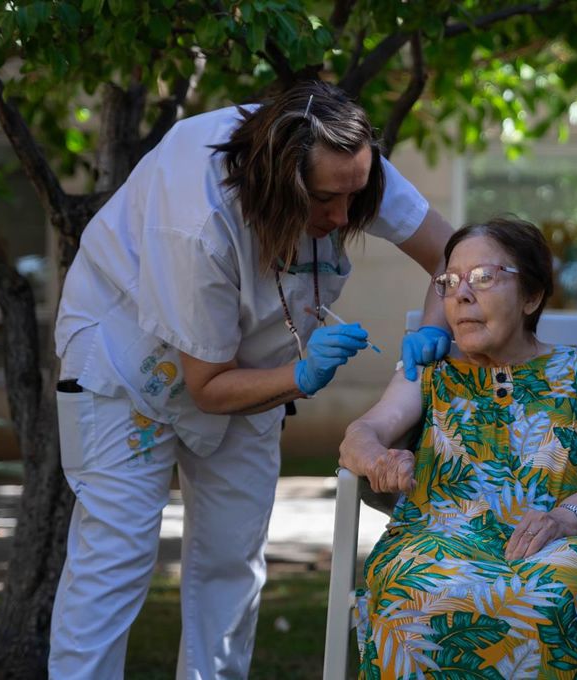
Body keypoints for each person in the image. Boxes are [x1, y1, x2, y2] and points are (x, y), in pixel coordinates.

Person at [50, 81, 456, 679]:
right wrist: (300, 374)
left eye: (356, 194)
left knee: (232, 563)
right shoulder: (197, 218)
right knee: (116, 559)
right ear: (276, 181)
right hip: (125, 365)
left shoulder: (343, 158)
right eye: (324, 200)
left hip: (255, 371)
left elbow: (452, 254)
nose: (343, 217)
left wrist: (432, 333)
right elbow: (208, 386)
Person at [339, 218, 577, 678]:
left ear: (531, 296)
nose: (461, 294)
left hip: (553, 545)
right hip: (435, 541)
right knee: (413, 589)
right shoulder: (426, 369)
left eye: (483, 278)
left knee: (551, 595)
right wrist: (379, 458)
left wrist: (565, 517)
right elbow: (360, 434)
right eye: (450, 281)